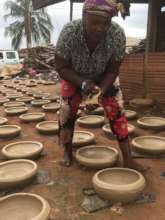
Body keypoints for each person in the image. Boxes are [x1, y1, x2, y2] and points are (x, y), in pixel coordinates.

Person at [55, 0, 143, 170]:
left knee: (116, 110)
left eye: (105, 23)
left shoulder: (116, 34)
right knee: (66, 110)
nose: (100, 28)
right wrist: (83, 83)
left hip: (104, 78)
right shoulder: (69, 32)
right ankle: (67, 151)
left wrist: (100, 92)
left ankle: (128, 158)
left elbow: (113, 70)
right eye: (94, 22)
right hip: (74, 76)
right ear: (83, 17)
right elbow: (61, 67)